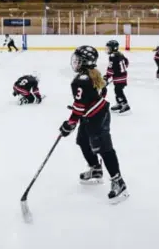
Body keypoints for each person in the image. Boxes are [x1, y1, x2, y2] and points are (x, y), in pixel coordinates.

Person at [59, 45, 129, 204]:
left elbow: (79, 106)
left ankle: (119, 182)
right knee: (83, 141)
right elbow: (100, 94)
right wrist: (84, 111)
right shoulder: (93, 74)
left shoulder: (80, 81)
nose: (75, 62)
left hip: (97, 117)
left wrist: (69, 123)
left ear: (84, 62)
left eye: (78, 59)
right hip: (93, 115)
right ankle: (96, 169)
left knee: (104, 148)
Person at [104, 40, 130, 113]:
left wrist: (107, 76)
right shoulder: (120, 54)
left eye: (109, 48)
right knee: (117, 90)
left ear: (113, 48)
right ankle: (119, 103)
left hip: (119, 77)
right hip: (123, 75)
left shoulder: (112, 56)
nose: (107, 49)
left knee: (118, 90)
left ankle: (125, 104)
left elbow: (110, 68)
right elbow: (126, 62)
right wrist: (121, 69)